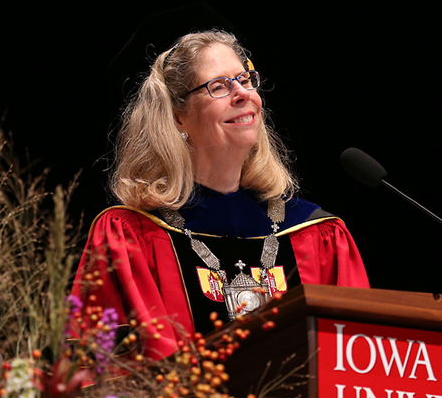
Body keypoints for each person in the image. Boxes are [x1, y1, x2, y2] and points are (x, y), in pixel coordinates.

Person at [70, 29, 369, 361]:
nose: (242, 93)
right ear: (176, 116)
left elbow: (354, 365)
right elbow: (105, 371)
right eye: (220, 86)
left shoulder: (316, 234)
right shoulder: (132, 237)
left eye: (245, 79)